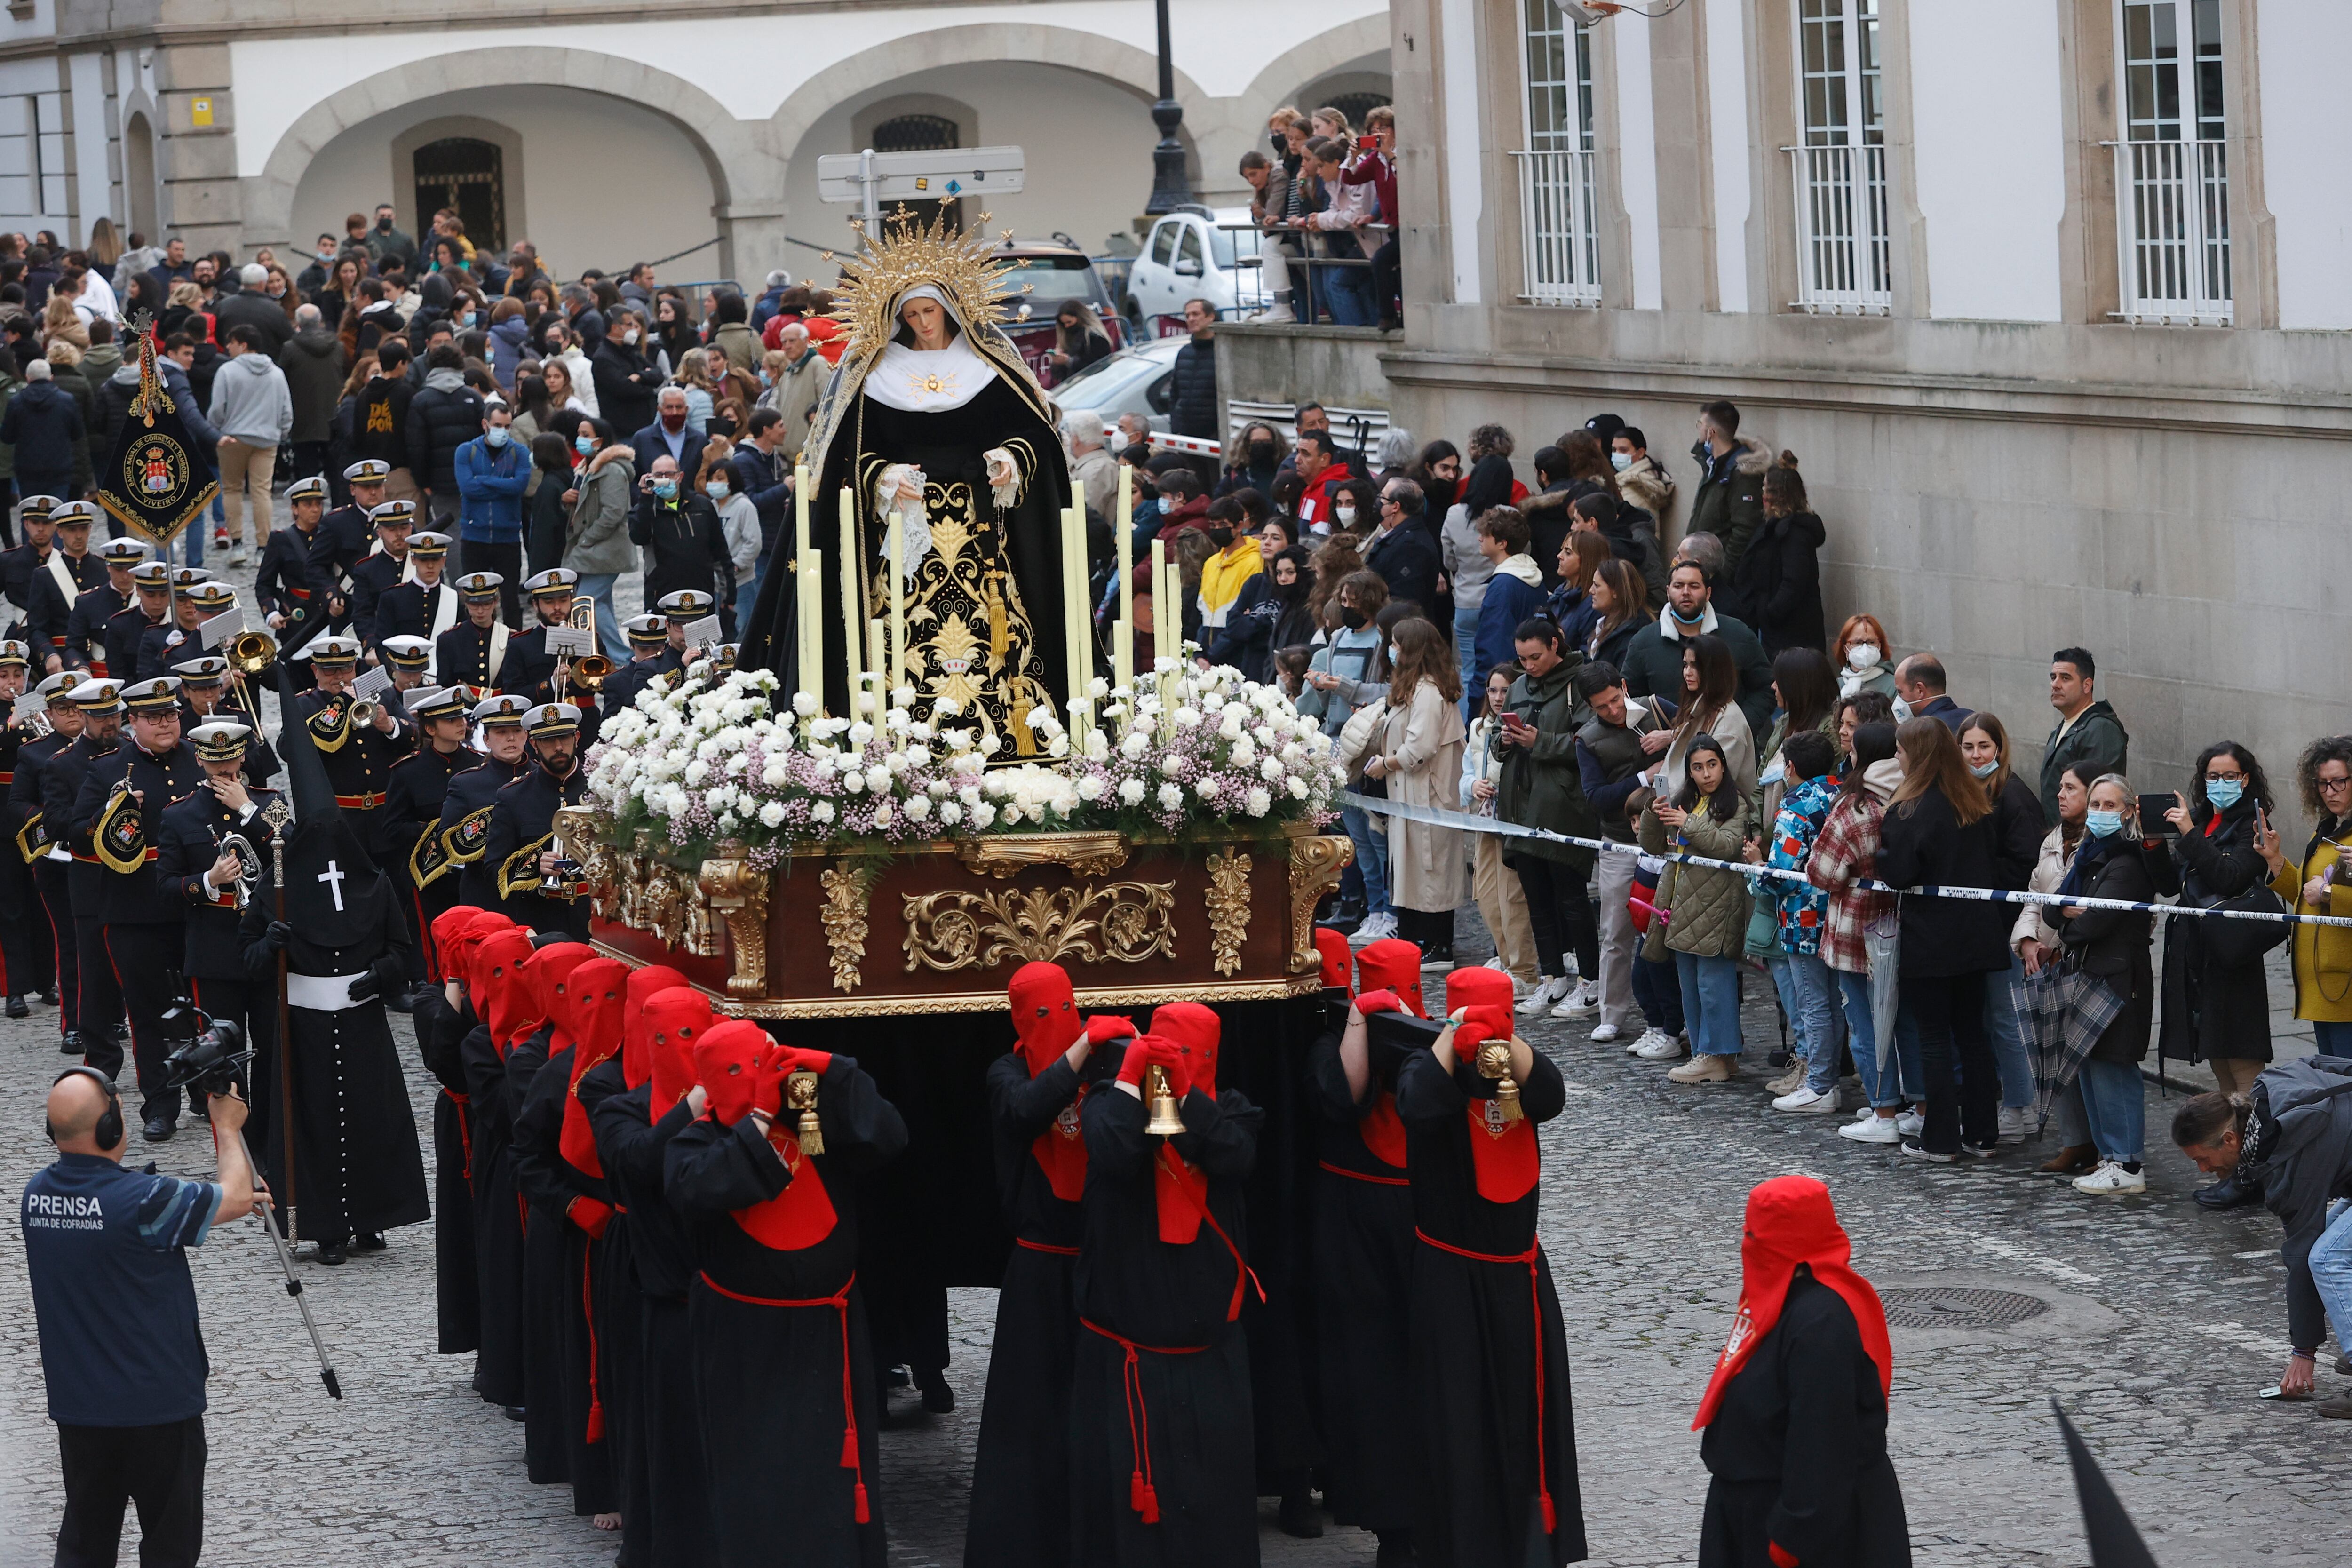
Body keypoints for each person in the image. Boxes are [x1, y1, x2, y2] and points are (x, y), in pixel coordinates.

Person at [663, 1019, 908, 1564]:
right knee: (762, 1471)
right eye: (737, 1072)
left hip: (829, 1328)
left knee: (833, 1469)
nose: (754, 1081)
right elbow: (704, 1187)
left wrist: (834, 1069)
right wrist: (756, 1119)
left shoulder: (811, 1122)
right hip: (747, 1344)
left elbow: (888, 1136)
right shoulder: (693, 1141)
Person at [22, 1063, 262, 1568]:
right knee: (170, 1548)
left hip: (81, 1411)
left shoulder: (35, 1197)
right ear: (110, 1129)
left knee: (85, 1546)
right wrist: (226, 1126)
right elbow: (237, 1197)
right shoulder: (145, 1202)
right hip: (160, 1410)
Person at [1394, 974, 1585, 1566]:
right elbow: (1419, 1102)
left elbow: (1550, 1097)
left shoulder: (1518, 1072)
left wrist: (1509, 1040)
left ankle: (1526, 1538)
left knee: (1522, 1413)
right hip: (1449, 1274)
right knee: (1455, 1417)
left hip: (1516, 1274)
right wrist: (1454, 1035)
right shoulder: (1424, 1065)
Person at [243, 662, 430, 1264]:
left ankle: (373, 1218)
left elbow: (404, 954)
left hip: (362, 1018)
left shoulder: (372, 887)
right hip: (304, 1025)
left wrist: (381, 976)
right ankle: (325, 1226)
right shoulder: (275, 888)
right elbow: (246, 961)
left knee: (373, 1121)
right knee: (316, 1126)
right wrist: (269, 942)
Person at [1067, 1003, 1262, 1566]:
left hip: (1207, 1353)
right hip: (1126, 1351)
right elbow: (1111, 1152)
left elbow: (1235, 1154)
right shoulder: (1109, 1102)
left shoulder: (1233, 1111)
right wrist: (1132, 1078)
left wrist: (1185, 1094)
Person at [966, 963, 1130, 1568]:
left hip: (1099, 1263)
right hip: (1037, 1273)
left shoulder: (1104, 1065)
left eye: (1066, 1010)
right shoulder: (1005, 1073)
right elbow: (1024, 1111)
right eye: (1042, 1015)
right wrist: (1083, 1048)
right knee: (1030, 1420)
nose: (1056, 1025)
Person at [1693, 1176, 1907, 1568]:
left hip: (1801, 1536)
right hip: (1754, 1511)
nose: (1748, 1244)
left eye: (1757, 1235)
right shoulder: (1785, 1301)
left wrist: (1792, 1536)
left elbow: (1823, 1441)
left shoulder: (1821, 1324)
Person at [2170, 1058, 2352, 1416]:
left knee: (2326, 1258)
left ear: (2230, 1139)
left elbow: (2300, 1255)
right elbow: (2324, 1063)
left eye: (2203, 1159)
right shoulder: (2272, 1086)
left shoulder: (2289, 1158)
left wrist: (2304, 1352)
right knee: (2333, 1243)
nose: (2204, 1170)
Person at [73, 676, 205, 1140]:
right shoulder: (109, 770)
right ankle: (161, 1104)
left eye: (169, 714)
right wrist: (109, 814)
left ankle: (208, 1092)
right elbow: (73, 835)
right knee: (147, 1013)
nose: (165, 723)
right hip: (135, 908)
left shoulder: (200, 756)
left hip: (197, 904)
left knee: (203, 1006)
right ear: (133, 722)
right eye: (153, 717)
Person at [1876, 718, 2012, 1161]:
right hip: (1975, 935)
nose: (1896, 757)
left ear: (1916, 755)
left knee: (1934, 1037)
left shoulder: (1911, 808)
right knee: (1973, 1034)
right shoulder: (1972, 801)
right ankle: (1981, 1132)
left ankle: (1939, 1139)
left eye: (1900, 750)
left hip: (1932, 938)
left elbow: (1898, 873)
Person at [2159, 741, 2280, 1201]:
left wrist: (2190, 832)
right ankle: (2235, 1170)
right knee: (2221, 1072)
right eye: (2211, 776)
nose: (2219, 784)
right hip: (2198, 961)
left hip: (2233, 959)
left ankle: (2253, 1173)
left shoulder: (2252, 824)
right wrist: (2155, 842)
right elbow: (2171, 882)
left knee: (2245, 1072)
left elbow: (2228, 876)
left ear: (2245, 779)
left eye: (2228, 776)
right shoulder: (2200, 822)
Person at [2042, 774, 2162, 1195]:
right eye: (2096, 802)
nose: (2099, 811)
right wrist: (2070, 915)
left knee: (2114, 1065)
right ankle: (2109, 1157)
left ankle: (2127, 1163)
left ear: (2129, 812)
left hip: (2117, 976)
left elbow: (2092, 922)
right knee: (2091, 1065)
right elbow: (2054, 911)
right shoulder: (2087, 856)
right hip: (2088, 974)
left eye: (2111, 805)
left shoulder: (2127, 862)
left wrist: (2074, 917)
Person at [1492, 617, 1602, 1020]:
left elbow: (1591, 743)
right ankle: (1552, 979)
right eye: (1522, 658)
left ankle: (1590, 984)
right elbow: (1497, 736)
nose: (1529, 665)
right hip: (1520, 807)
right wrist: (1502, 739)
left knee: (1571, 898)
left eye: (1535, 656)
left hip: (1561, 808)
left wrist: (1542, 742)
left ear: (1556, 645)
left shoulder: (1580, 684)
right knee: (1537, 899)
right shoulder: (1520, 685)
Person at [1814, 722, 1908, 1144]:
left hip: (1857, 930)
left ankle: (1883, 1109)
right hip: (1902, 925)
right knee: (1902, 1021)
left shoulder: (1855, 807)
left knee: (1867, 1025)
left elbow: (1825, 872)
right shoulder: (1911, 797)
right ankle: (1917, 1106)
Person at [1640, 733, 1754, 1082]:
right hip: (1683, 903)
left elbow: (1727, 846)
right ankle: (1710, 1051)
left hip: (1717, 905)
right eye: (1698, 767)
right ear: (1689, 772)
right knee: (1689, 982)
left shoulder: (1735, 803)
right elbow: (1652, 845)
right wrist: (1653, 813)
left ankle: (1716, 1053)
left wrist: (1686, 822)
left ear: (1723, 765)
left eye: (1713, 765)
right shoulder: (1685, 799)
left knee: (1713, 983)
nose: (1707, 774)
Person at [1751, 730, 1844, 1114]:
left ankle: (1820, 1083)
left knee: (1812, 1003)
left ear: (1790, 767)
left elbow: (1782, 870)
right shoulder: (1841, 795)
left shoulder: (1796, 806)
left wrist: (1757, 870)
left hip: (1803, 917)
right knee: (1835, 1003)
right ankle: (1829, 1078)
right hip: (1837, 913)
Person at [1572, 661, 1665, 1043]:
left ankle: (1669, 1017)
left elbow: (1700, 737)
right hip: (1619, 842)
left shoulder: (1656, 708)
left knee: (1669, 931)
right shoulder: (1588, 739)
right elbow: (1596, 797)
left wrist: (1670, 735)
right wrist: (1645, 776)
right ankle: (1611, 1013)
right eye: (1602, 707)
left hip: (1669, 839)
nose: (1613, 711)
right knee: (1615, 930)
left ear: (1624, 686)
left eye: (1616, 700)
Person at [1366, 618, 1465, 963]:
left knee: (1431, 873)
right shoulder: (1418, 688)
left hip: (1427, 797)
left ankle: (1437, 945)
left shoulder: (1427, 691)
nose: (1391, 651)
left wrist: (1386, 763)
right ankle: (1414, 941)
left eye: (1396, 644)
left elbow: (1419, 749)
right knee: (1413, 873)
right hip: (1411, 796)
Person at [1617, 556, 1775, 741]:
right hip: (1665, 754)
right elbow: (1630, 700)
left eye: (1694, 586)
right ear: (1668, 592)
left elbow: (1766, 688)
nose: (1685, 592)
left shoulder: (1739, 634)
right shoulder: (1643, 641)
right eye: (1678, 586)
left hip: (1730, 747)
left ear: (1708, 593)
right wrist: (1660, 734)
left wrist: (1737, 726)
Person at [2265, 736, 2352, 1059]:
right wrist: (2275, 860)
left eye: (2339, 781)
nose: (2330, 791)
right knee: (2334, 1083)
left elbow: (2321, 894)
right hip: (2321, 984)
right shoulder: (2328, 828)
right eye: (2323, 784)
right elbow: (2307, 897)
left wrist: (2329, 893)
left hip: (2343, 985)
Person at [479, 700, 591, 939]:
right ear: (534, 744)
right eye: (549, 740)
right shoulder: (513, 796)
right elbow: (493, 868)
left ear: (578, 737)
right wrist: (533, 866)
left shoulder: (602, 787)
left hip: (597, 917)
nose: (559, 747)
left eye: (565, 738)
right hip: (543, 922)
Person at [1464, 664, 1541, 994]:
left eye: (1504, 691)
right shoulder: (1478, 727)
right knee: (1485, 894)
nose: (1497, 698)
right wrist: (1472, 785)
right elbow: (1466, 772)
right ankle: (1507, 958)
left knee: (1512, 896)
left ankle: (1524, 968)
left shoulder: (1524, 728)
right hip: (1484, 819)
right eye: (1492, 690)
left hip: (1512, 820)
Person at [204, 325, 292, 566]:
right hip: (266, 439)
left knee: (232, 489)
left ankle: (238, 544)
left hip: (233, 437)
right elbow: (287, 411)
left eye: (231, 343)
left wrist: (217, 429)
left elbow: (217, 410)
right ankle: (263, 547)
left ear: (242, 344)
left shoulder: (227, 371)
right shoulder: (276, 373)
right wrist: (280, 433)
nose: (228, 347)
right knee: (261, 492)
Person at [1728, 452, 1824, 653]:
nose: (1762, 494)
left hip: (1787, 630)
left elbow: (1794, 582)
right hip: (1774, 627)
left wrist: (1770, 613)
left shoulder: (1794, 534)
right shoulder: (1774, 527)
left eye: (1766, 488)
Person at [2039, 647, 2129, 823]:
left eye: (2065, 678)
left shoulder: (2101, 730)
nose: (2055, 685)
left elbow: (2102, 796)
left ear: (2087, 685)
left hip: (2083, 840)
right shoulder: (2067, 726)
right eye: (2053, 677)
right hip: (2060, 838)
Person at [406, 342, 488, 528]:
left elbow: (416, 447)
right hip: (473, 477)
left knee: (449, 530)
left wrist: (422, 481)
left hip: (439, 482)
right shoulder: (473, 398)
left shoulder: (421, 401)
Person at [1686, 399, 1769, 581]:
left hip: (1720, 577)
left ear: (1711, 432)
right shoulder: (1713, 465)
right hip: (1703, 570)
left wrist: (1723, 574)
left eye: (1701, 424)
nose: (1699, 429)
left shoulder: (1742, 473)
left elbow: (1745, 530)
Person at [454, 400, 531, 594]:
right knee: (475, 597)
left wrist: (483, 480)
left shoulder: (519, 452)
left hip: (508, 537)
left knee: (510, 599)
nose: (503, 431)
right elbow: (468, 488)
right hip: (474, 536)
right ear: (485, 424)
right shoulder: (466, 451)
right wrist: (504, 484)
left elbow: (519, 487)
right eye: (498, 426)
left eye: (507, 427)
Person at [1471, 507, 1546, 697]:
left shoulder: (1502, 587)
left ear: (1502, 544)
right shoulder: (1535, 578)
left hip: (1503, 690)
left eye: (1486, 535)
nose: (1480, 539)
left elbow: (1493, 646)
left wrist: (1480, 692)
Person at [278, 301, 348, 489]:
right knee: (335, 473)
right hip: (333, 417)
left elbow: (282, 379)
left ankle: (309, 511)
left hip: (302, 419)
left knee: (307, 473)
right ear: (320, 322)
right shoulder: (338, 346)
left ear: (298, 323)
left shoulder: (290, 348)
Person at [1364, 477, 1441, 615]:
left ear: (1396, 507)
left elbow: (1402, 602)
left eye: (1383, 498)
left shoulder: (1411, 547)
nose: (1379, 502)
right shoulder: (1400, 537)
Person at [1169, 297, 1217, 439]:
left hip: (1214, 435)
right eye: (1187, 316)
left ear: (1211, 317)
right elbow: (1175, 394)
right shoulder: (1184, 352)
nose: (1191, 319)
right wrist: (1176, 426)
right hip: (1186, 434)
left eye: (1196, 314)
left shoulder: (1221, 353)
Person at [1892, 653, 1970, 733]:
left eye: (1900, 692)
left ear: (1920, 690)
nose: (1898, 698)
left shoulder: (1922, 733)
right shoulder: (1972, 720)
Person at [1832, 613, 1896, 701]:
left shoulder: (1894, 686)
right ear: (1846, 649)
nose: (1865, 648)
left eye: (1872, 642)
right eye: (1858, 643)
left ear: (1880, 646)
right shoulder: (1835, 687)